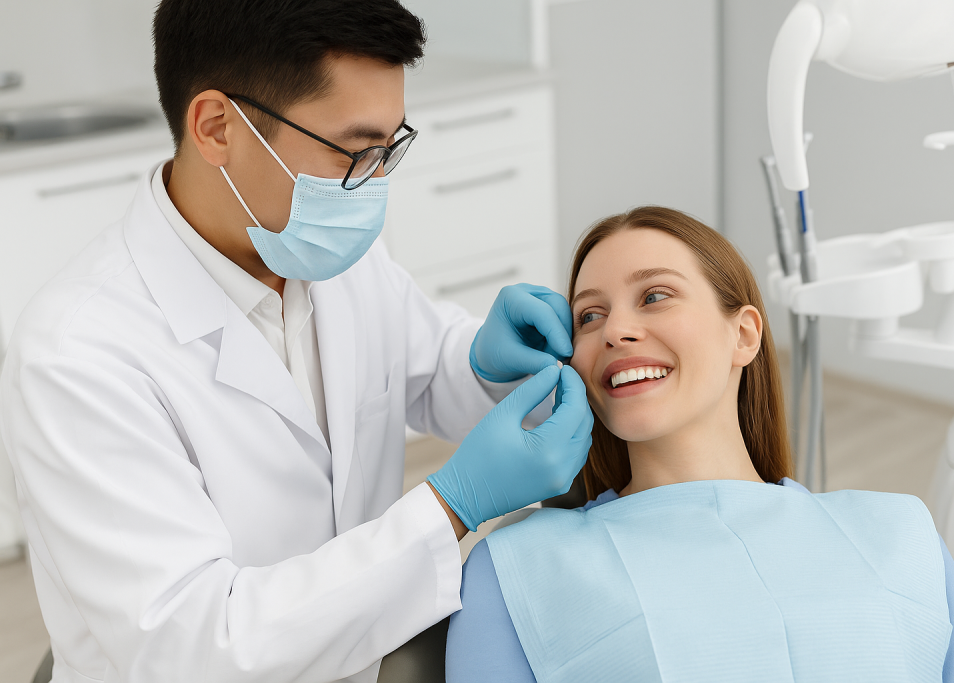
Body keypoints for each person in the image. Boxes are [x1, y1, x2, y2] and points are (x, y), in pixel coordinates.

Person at [0, 2, 593, 682]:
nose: (373, 181)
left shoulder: (321, 250)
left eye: (389, 147)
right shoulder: (77, 356)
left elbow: (422, 369)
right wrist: (450, 507)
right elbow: (196, 648)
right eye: (354, 149)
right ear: (217, 128)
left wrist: (483, 363)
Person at [446, 206, 954, 682]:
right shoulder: (518, 567)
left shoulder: (899, 531)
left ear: (743, 334)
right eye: (590, 315)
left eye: (655, 296)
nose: (615, 329)